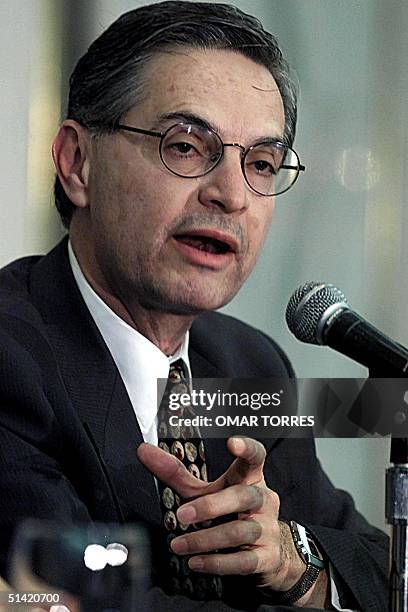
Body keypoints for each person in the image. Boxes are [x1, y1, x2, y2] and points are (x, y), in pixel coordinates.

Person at [0, 1, 388, 610]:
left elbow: (379, 567)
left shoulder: (247, 361)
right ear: (78, 163)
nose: (232, 194)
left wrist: (292, 561)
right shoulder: (10, 354)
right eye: (185, 146)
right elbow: (75, 599)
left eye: (260, 162)